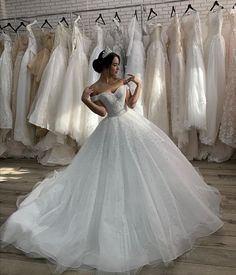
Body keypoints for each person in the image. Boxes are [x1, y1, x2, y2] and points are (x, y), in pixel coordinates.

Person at [0, 48, 223, 275]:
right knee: (108, 173)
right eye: (114, 65)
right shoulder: (95, 88)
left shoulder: (121, 81)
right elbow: (102, 113)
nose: (117, 68)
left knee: (143, 168)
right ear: (106, 66)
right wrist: (85, 99)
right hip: (109, 130)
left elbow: (132, 105)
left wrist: (138, 84)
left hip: (131, 125)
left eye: (118, 65)